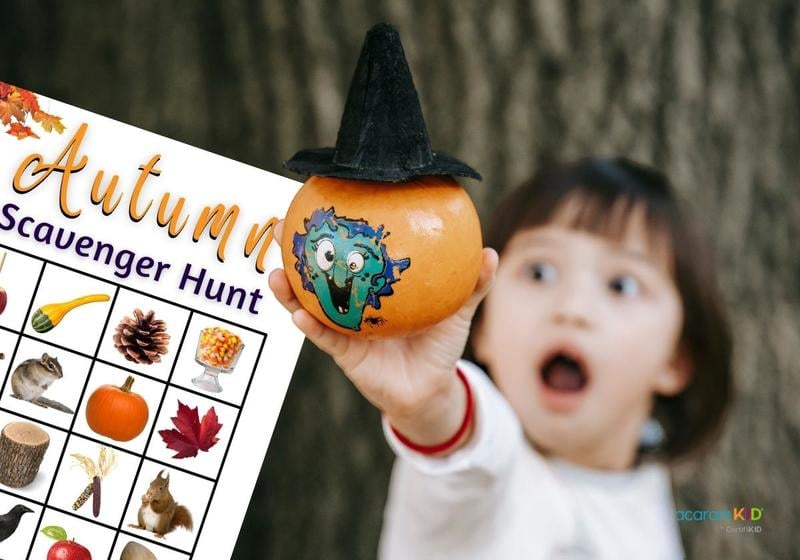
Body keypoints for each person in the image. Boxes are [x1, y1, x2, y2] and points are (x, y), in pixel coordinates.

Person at [269, 157, 733, 559]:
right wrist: (428, 407)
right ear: (484, 327)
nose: (571, 308)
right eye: (539, 271)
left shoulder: (645, 482)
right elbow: (466, 444)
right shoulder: (477, 476)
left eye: (621, 285)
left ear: (676, 360)